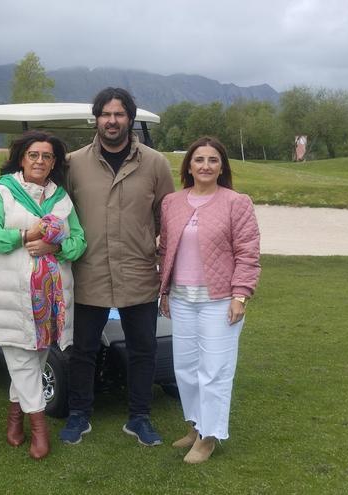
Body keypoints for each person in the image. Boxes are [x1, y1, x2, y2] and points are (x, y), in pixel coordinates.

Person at [61, 87, 175, 447]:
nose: (112, 121)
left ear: (130, 118)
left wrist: (161, 261)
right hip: (88, 272)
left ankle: (139, 418)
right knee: (83, 349)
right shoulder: (73, 163)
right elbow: (58, 214)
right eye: (106, 114)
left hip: (138, 273)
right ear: (96, 118)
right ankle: (79, 415)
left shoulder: (155, 163)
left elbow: (167, 218)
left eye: (119, 114)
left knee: (144, 349)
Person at [0, 131, 87, 460]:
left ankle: (14, 420)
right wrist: (28, 233)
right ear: (22, 158)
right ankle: (40, 429)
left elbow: (79, 241)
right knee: (24, 361)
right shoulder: (4, 192)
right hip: (13, 295)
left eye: (47, 156)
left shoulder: (62, 199)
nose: (40, 161)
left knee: (35, 359)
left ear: (54, 163)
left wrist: (55, 246)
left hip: (51, 298)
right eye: (33, 155)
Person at [158, 136, 261, 464]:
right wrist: (163, 291)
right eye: (199, 160)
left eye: (212, 160)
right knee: (186, 369)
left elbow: (248, 252)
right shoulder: (171, 202)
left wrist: (240, 296)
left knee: (214, 370)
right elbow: (165, 250)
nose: (205, 165)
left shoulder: (236, 202)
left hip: (220, 301)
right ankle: (195, 426)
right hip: (182, 299)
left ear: (222, 167)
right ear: (188, 165)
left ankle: (208, 437)